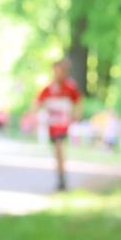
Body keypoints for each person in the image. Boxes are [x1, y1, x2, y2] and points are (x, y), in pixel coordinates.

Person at [35, 59, 82, 191]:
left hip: (63, 125)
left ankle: (62, 178)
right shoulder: (48, 88)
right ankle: (60, 176)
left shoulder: (70, 87)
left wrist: (76, 114)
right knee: (57, 151)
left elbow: (78, 101)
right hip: (52, 125)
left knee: (59, 147)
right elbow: (38, 103)